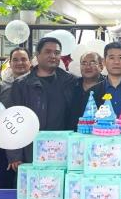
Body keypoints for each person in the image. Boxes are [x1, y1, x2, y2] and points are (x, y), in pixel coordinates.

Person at [7, 37, 77, 170]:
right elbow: (13, 121)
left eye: (57, 53)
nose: (53, 56)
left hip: (63, 148)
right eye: (48, 52)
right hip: (31, 148)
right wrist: (15, 155)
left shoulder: (71, 81)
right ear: (37, 55)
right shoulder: (22, 84)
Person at [0, 47, 31, 189]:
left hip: (29, 143)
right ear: (10, 63)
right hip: (4, 143)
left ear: (30, 62)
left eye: (23, 59)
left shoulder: (35, 85)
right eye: (15, 60)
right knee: (5, 186)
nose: (19, 63)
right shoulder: (0, 87)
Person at [68, 51, 105, 128]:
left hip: (101, 133)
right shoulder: (72, 86)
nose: (88, 67)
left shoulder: (108, 87)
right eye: (84, 63)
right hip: (73, 133)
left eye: (92, 63)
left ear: (101, 66)